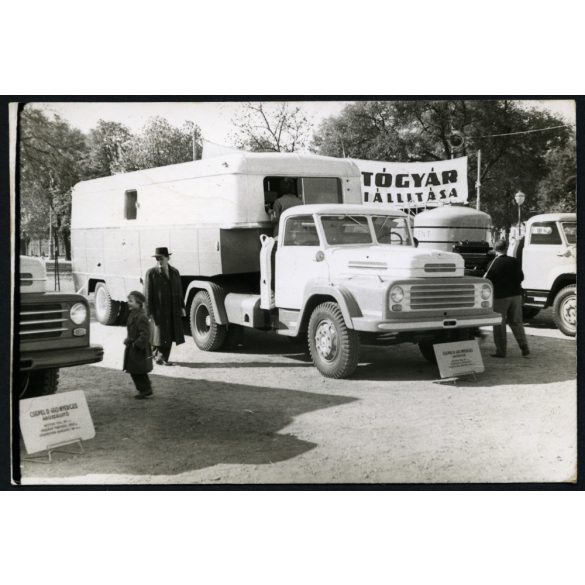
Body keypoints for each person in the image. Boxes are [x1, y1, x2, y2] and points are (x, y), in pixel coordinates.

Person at [484, 239, 530, 358]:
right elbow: (521, 277)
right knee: (516, 322)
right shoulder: (514, 261)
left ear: (495, 249)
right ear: (506, 248)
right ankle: (524, 346)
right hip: (516, 296)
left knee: (499, 324)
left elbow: (488, 281)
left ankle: (501, 351)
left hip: (500, 298)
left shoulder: (492, 264)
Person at [144, 247, 186, 365]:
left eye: (161, 258)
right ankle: (158, 356)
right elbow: (147, 294)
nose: (159, 261)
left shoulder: (175, 272)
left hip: (172, 308)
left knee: (169, 333)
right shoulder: (151, 273)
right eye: (157, 259)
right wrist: (148, 311)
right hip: (159, 309)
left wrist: (182, 306)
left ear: (168, 258)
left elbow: (179, 290)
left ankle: (161, 357)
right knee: (159, 333)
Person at [123, 291, 154, 399]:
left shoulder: (141, 317)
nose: (128, 303)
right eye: (128, 300)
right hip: (133, 347)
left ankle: (145, 389)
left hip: (138, 349)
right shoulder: (133, 314)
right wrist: (128, 339)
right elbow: (133, 331)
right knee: (135, 370)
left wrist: (136, 344)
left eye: (131, 301)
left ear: (139, 303)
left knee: (138, 370)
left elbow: (145, 334)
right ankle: (145, 388)